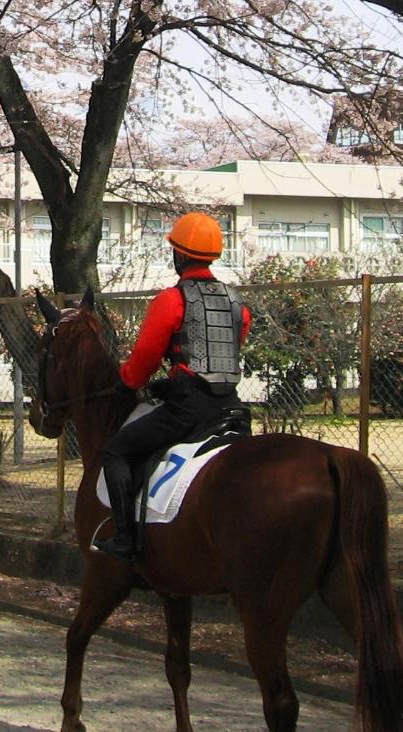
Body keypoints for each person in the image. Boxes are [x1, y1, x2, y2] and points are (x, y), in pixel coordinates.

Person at [95, 211, 253, 563]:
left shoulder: (171, 299)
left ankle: (124, 538)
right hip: (232, 406)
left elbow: (146, 357)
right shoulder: (237, 303)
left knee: (117, 452)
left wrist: (130, 382)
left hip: (189, 409)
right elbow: (226, 350)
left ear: (178, 254)